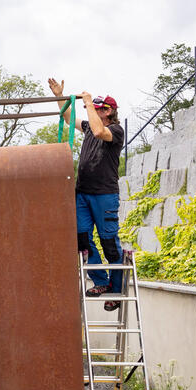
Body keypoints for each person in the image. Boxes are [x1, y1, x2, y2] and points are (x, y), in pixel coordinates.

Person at [49, 78, 125, 311]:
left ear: (110, 111)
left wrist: (90, 102)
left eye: (101, 109)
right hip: (82, 193)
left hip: (104, 194)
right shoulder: (90, 130)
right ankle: (101, 281)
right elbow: (70, 119)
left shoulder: (114, 130)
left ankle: (116, 289)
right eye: (96, 108)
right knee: (82, 238)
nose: (96, 111)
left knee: (108, 241)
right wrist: (59, 97)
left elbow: (99, 130)